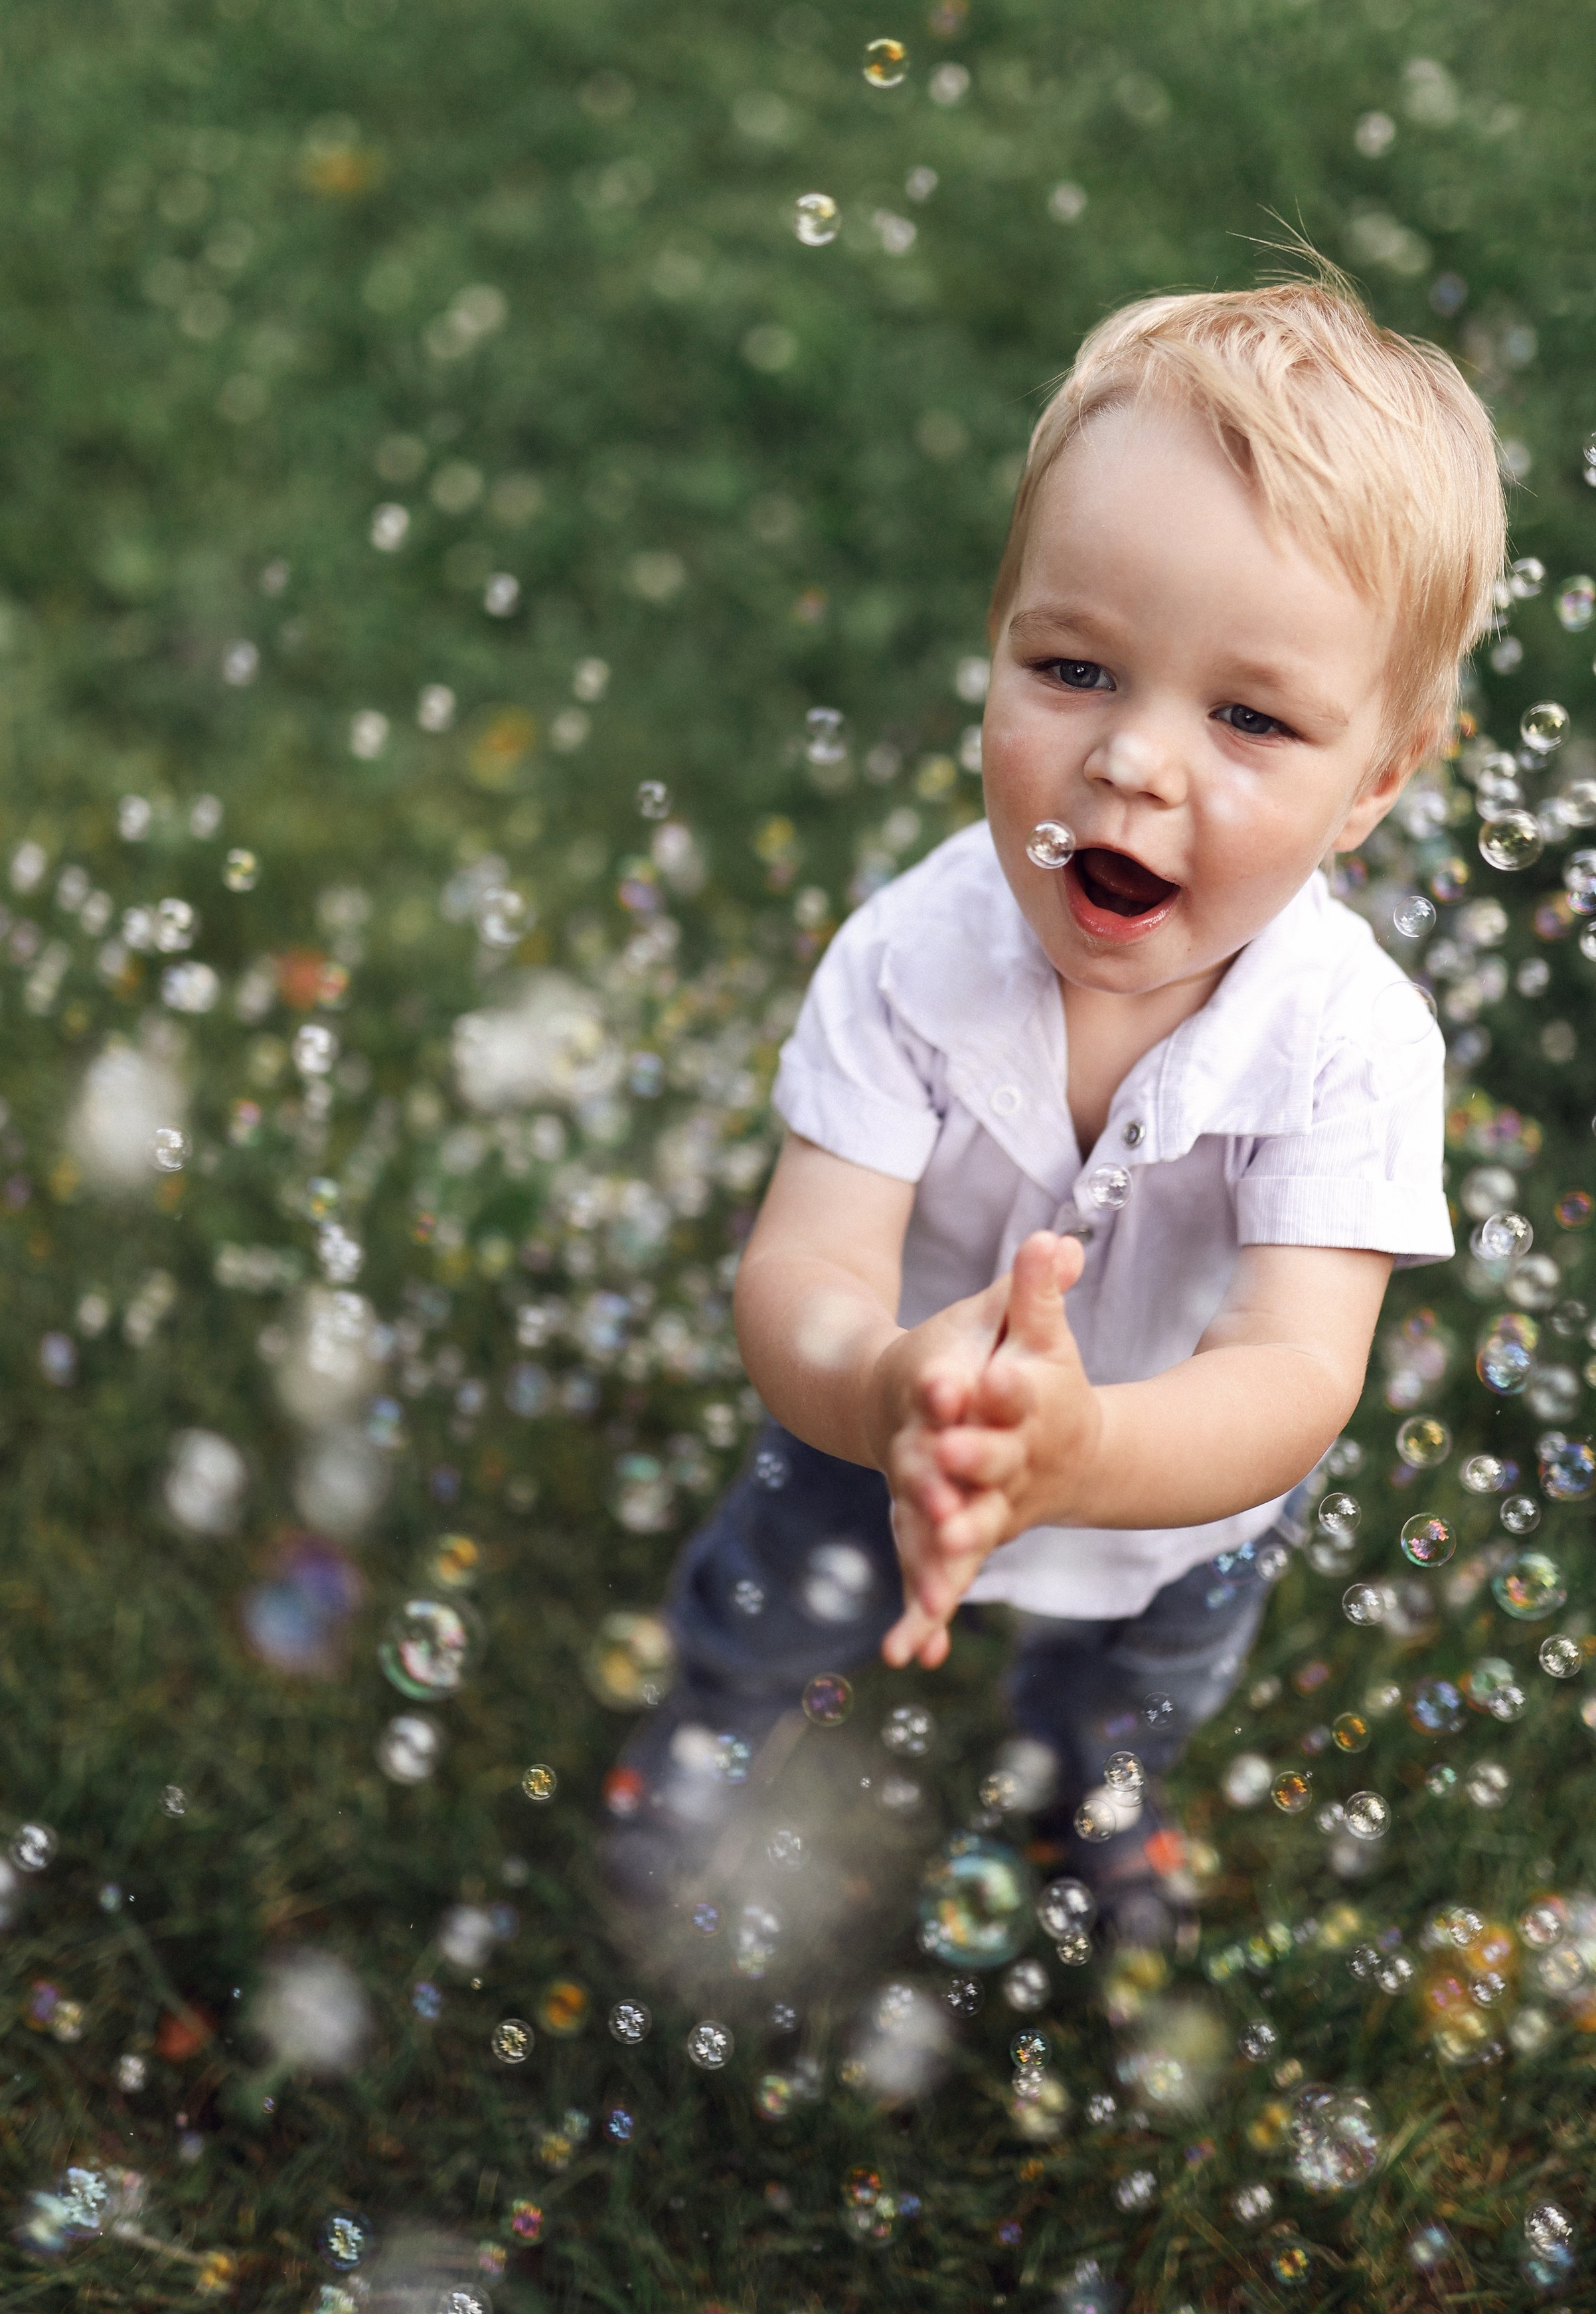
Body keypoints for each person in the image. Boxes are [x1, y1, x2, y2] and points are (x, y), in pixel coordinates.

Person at [600, 270, 1500, 1943]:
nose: (1136, 763)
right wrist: (878, 1387)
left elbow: (1295, 1372)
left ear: (1376, 777)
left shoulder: (1350, 1044)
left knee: (1135, 1685)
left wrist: (1089, 1452)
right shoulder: (908, 959)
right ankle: (708, 1746)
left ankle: (1100, 1798)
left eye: (1248, 717)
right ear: (994, 651)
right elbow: (802, 1266)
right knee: (771, 1602)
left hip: (1181, 1501)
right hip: (878, 1432)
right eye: (1075, 668)